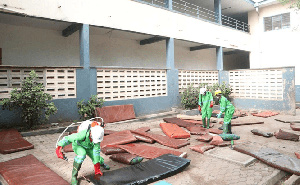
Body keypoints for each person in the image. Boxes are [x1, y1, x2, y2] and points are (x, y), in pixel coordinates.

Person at [55, 120, 110, 185]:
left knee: (96, 158)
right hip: (79, 146)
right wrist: (59, 148)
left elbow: (96, 153)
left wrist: (97, 169)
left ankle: (101, 163)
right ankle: (74, 176)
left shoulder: (97, 139)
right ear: (90, 133)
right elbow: (68, 138)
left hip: (89, 147)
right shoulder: (82, 135)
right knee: (81, 155)